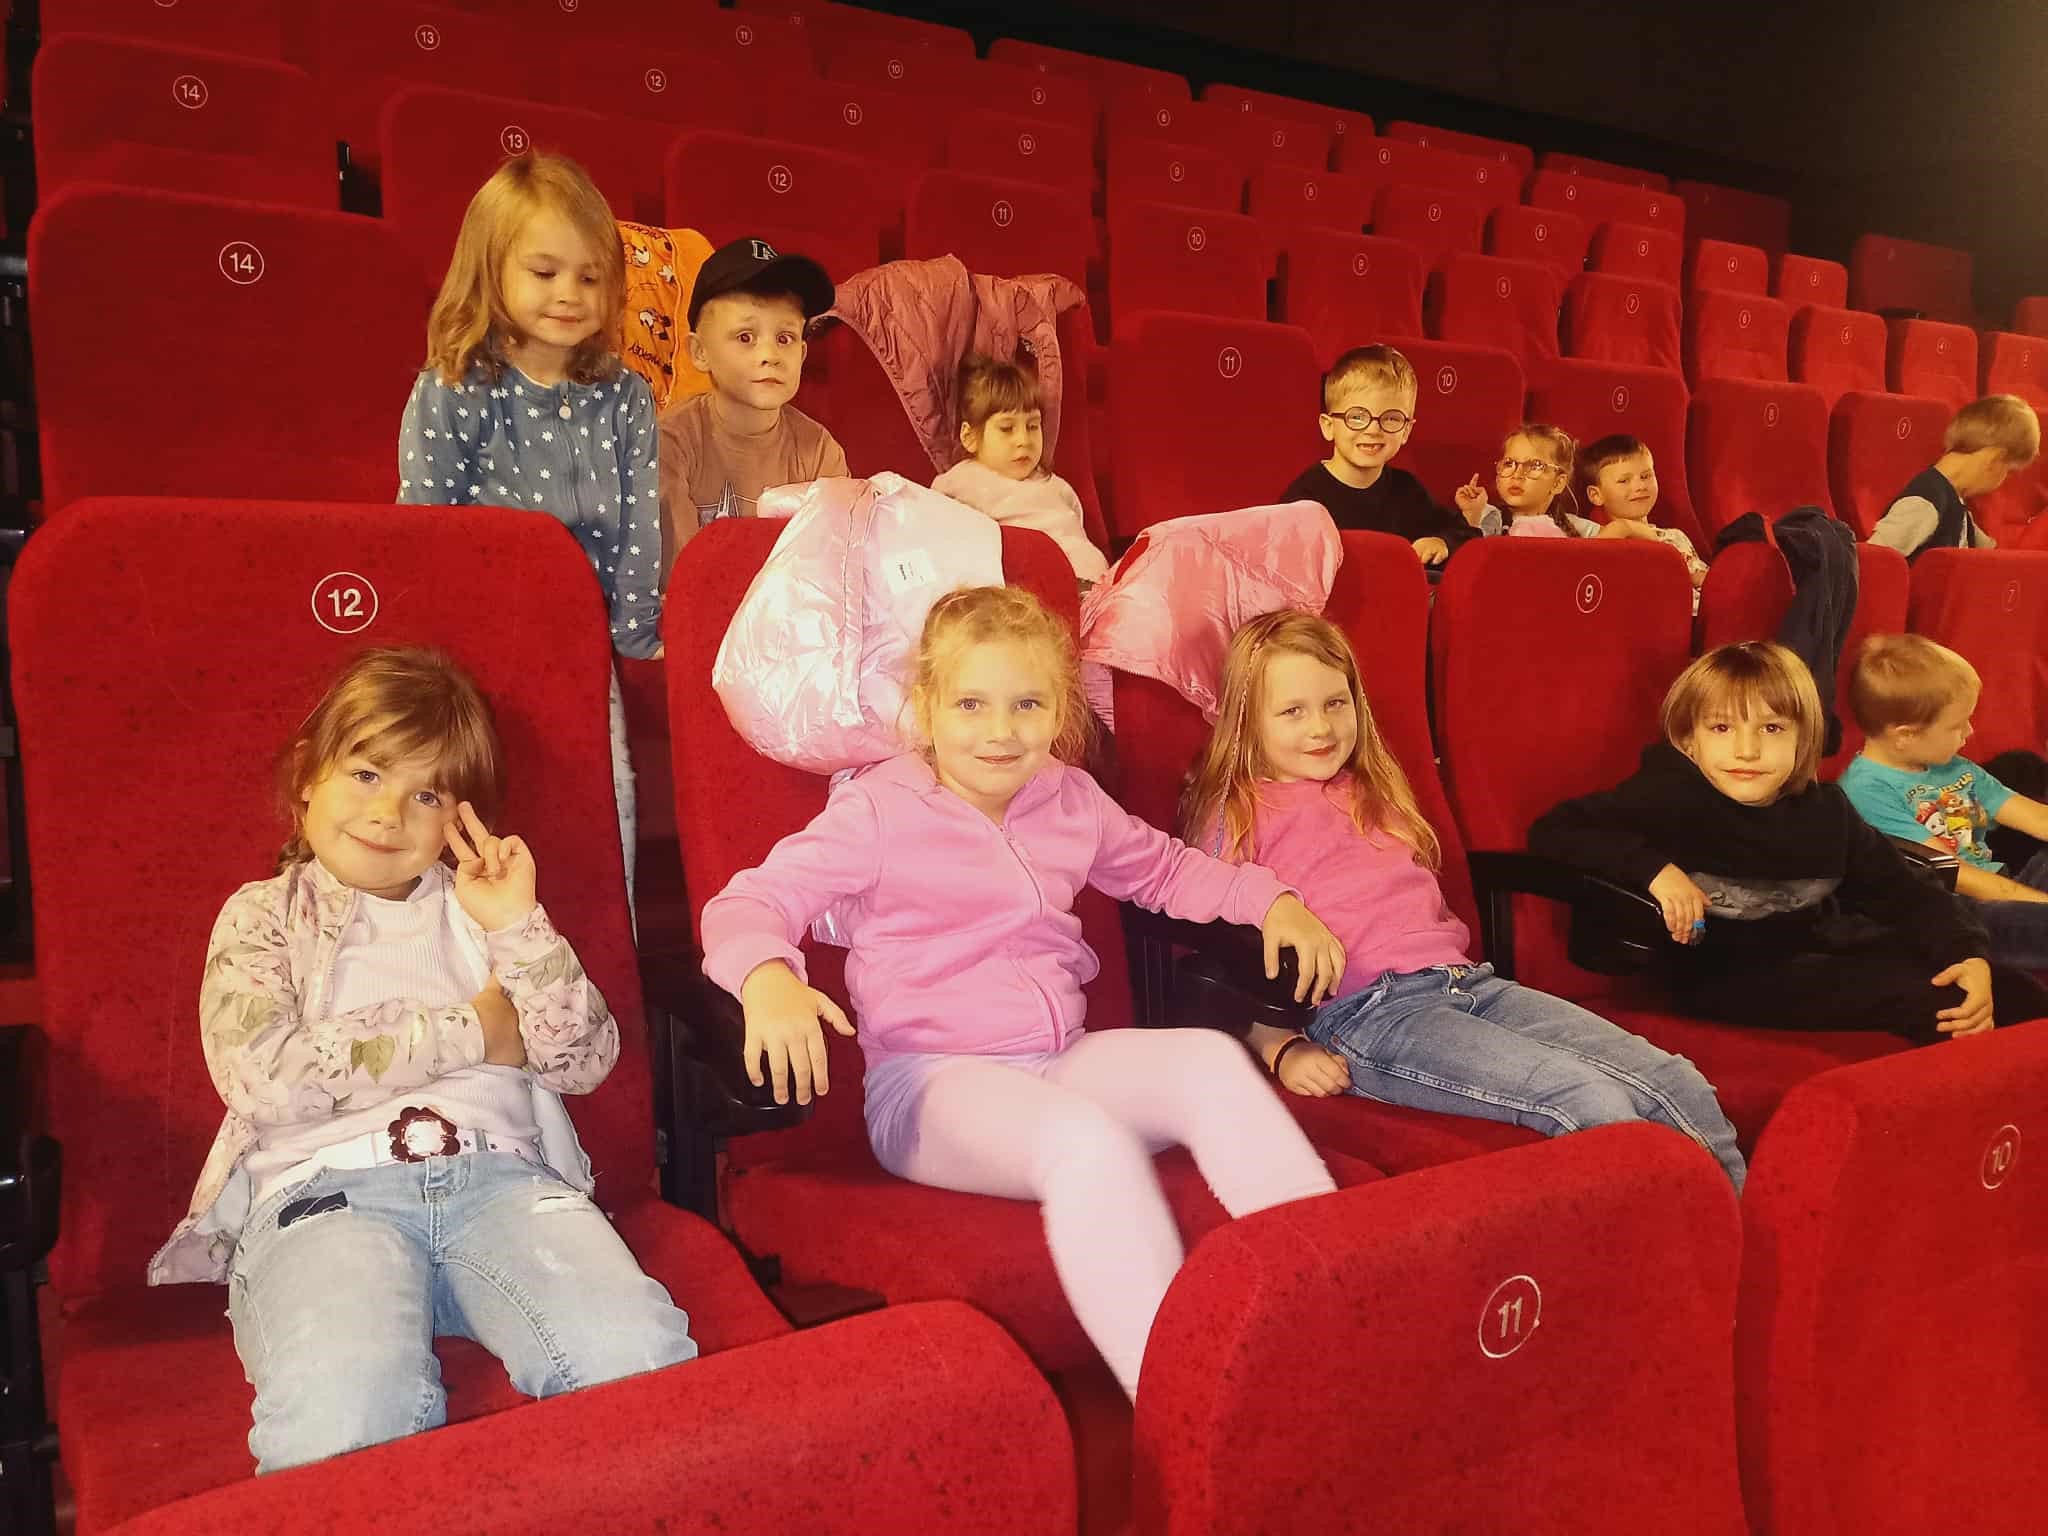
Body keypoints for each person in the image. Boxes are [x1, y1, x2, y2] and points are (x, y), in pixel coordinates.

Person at [699, 586, 1345, 1399]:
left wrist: (1270, 901)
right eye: (971, 703)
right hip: (930, 1086)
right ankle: (1183, 1401)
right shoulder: (876, 811)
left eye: (1027, 704)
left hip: (1059, 1059)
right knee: (1085, 1141)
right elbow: (747, 904)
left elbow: (1163, 870)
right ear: (925, 708)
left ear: (1060, 712)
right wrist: (766, 977)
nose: (1000, 731)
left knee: (1213, 1063)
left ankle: (1327, 1320)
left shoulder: (1068, 797)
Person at [149, 648, 697, 1473]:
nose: (388, 812)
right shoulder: (264, 916)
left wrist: (517, 926)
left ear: (458, 819)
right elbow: (265, 1076)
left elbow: (583, 1060)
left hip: (504, 1185)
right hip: (324, 1199)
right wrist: (475, 1031)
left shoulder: (483, 913)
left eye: (427, 794)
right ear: (308, 777)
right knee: (347, 1408)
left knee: (637, 1356)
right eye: (367, 774)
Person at [1180, 611, 1744, 1189]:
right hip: (1368, 1015)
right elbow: (1210, 946)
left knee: (1674, 1079)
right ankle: (1659, 1237)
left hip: (1469, 984)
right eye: (1292, 711)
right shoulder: (1237, 810)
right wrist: (1277, 1044)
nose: (1321, 727)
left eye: (1335, 703)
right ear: (1246, 719)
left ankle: (1737, 1227)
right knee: (1589, 1100)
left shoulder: (1374, 789)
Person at [1529, 641, 2048, 1043]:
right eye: (1722, 728)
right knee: (1943, 1009)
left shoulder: (1826, 812)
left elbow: (1905, 891)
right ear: (1689, 740)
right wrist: (1655, 871)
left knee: (2012, 992)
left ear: (1805, 739)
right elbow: (1557, 830)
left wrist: (1967, 952)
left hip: (1824, 951)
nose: (1747, 749)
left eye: (1772, 728)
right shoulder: (1668, 796)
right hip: (1726, 978)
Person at [395, 151, 656, 902]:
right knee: (468, 793)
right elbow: (426, 526)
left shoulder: (626, 395)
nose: (569, 294)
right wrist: (439, 641)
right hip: (478, 632)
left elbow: (638, 529)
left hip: (582, 636)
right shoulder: (456, 385)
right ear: (491, 271)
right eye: (545, 272)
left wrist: (637, 636)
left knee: (606, 789)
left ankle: (609, 934)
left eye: (590, 277)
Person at [1840, 634, 2048, 968]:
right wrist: (2039, 903)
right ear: (1905, 735)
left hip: (2003, 880)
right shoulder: (1867, 792)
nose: (1969, 732)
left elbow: (2036, 817)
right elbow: (1957, 875)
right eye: (1956, 725)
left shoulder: (1953, 766)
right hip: (1955, 910)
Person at [657, 236, 847, 578]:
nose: (770, 355)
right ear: (700, 352)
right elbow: (681, 581)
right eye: (745, 337)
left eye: (785, 338)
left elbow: (834, 569)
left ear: (803, 354)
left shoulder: (820, 451)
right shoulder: (669, 443)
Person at [1279, 344, 1477, 568]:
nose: (1373, 430)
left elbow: (1465, 533)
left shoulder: (1408, 490)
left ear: (1406, 430)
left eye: (1391, 418)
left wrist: (1441, 542)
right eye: (1356, 417)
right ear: (1328, 426)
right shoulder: (1304, 500)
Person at [930, 354, 1109, 584]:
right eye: (1007, 429)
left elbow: (1079, 529)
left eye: (1033, 426)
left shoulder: (1056, 485)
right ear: (970, 437)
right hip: (1030, 592)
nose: (1023, 440)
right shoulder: (960, 484)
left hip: (1098, 585)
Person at [1868, 394, 2040, 560]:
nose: (2003, 480)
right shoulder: (1926, 502)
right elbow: (1874, 559)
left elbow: (1991, 553)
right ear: (1994, 460)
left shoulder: (1955, 501)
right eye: (2008, 471)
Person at [1577, 434, 1709, 611]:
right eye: (1624, 481)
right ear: (1596, 495)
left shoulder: (1675, 536)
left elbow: (1708, 584)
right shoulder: (1604, 539)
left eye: (1646, 476)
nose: (1640, 486)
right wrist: (1623, 528)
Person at [1458, 423, 1598, 539]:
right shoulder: (1487, 515)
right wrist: (1471, 515)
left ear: (1557, 483)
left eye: (1535, 466)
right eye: (1509, 463)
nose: (1517, 475)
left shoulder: (1574, 526)